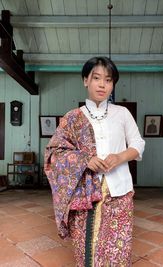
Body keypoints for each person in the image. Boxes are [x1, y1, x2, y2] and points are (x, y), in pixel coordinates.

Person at [44, 56, 145, 267]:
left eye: (108, 80)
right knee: (85, 246)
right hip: (84, 193)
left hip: (120, 190)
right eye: (96, 78)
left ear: (113, 84)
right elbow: (54, 153)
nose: (102, 84)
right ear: (85, 80)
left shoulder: (122, 113)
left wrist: (119, 157)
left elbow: (138, 144)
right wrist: (84, 160)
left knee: (118, 247)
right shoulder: (72, 117)